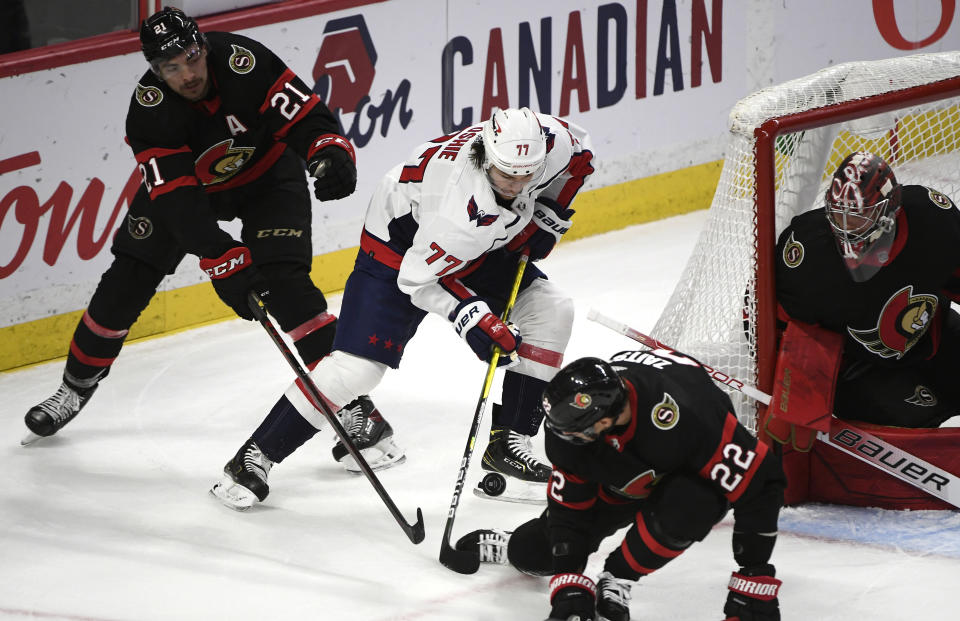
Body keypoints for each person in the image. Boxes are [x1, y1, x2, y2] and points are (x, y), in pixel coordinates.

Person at [22, 7, 399, 472]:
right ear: (154, 69)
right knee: (124, 283)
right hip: (192, 196)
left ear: (203, 45)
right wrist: (221, 256)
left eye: (191, 57)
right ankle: (74, 388)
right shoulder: (149, 111)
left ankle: (358, 408)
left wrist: (327, 148)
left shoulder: (245, 61)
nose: (187, 74)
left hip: (268, 180)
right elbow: (178, 203)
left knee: (288, 288)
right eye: (170, 67)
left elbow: (304, 116)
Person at [209, 106, 595, 510]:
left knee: (551, 310)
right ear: (487, 154)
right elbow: (417, 278)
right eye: (506, 175)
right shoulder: (462, 205)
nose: (517, 185)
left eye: (527, 175)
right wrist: (474, 319)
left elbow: (581, 158)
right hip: (399, 250)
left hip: (473, 245)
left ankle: (508, 446)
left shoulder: (549, 142)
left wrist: (549, 215)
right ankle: (254, 458)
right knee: (355, 370)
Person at [455, 352, 786, 621]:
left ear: (604, 420)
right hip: (624, 470)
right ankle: (515, 542)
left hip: (685, 467)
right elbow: (569, 512)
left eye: (574, 434)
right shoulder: (573, 432)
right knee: (536, 552)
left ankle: (618, 576)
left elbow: (763, 480)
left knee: (690, 507)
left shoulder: (692, 419)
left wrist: (754, 573)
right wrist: (569, 579)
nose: (565, 441)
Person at [769, 151, 960, 447]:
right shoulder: (807, 254)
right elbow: (772, 323)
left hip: (933, 331)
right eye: (840, 215)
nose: (847, 229)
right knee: (916, 429)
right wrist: (798, 395)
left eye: (859, 217)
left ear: (891, 209)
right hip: (861, 368)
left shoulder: (932, 218)